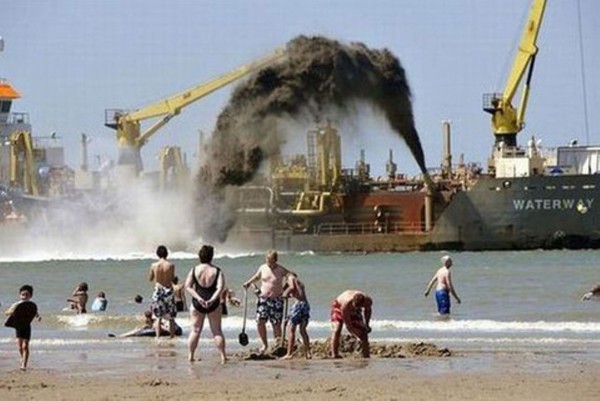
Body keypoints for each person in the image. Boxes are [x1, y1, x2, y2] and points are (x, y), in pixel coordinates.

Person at [243, 250, 293, 353]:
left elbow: (292, 276)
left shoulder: (280, 269)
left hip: (277, 299)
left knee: (276, 324)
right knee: (260, 321)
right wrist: (248, 283)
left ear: (276, 260)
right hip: (263, 299)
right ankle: (264, 345)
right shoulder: (263, 267)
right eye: (268, 261)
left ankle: (278, 344)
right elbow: (257, 277)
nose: (269, 264)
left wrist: (285, 289)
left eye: (271, 261)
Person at [185, 244, 227, 363]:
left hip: (198, 303)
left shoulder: (194, 270)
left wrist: (199, 298)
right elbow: (220, 288)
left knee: (195, 330)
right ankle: (223, 356)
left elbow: (188, 286)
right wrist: (212, 299)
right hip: (214, 303)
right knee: (217, 331)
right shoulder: (217, 271)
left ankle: (191, 356)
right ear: (211, 257)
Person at [4, 284, 41, 370]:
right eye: (23, 294)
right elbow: (6, 312)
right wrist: (10, 312)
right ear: (19, 295)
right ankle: (22, 359)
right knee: (20, 347)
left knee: (25, 346)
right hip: (18, 326)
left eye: (27, 294)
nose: (24, 296)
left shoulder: (31, 305)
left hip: (27, 326)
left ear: (30, 296)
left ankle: (24, 364)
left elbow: (34, 312)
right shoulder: (16, 304)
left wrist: (38, 317)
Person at [330, 289, 373, 358]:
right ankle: (334, 354)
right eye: (355, 306)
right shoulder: (346, 304)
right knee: (337, 328)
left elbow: (368, 311)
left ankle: (366, 355)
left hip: (355, 309)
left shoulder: (368, 301)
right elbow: (348, 325)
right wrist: (356, 335)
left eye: (359, 307)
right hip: (339, 306)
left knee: (363, 331)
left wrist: (367, 324)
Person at [149, 245, 177, 338]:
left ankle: (158, 337)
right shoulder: (171, 265)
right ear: (166, 254)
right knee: (171, 317)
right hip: (168, 290)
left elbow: (150, 278)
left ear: (157, 254)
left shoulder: (154, 265)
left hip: (158, 290)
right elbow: (172, 278)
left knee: (158, 317)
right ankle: (172, 337)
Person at [282, 273, 311, 359]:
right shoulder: (299, 283)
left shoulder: (291, 277)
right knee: (302, 330)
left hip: (298, 305)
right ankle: (308, 353)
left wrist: (285, 294)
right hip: (305, 304)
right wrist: (287, 294)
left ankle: (289, 354)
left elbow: (292, 288)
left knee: (291, 329)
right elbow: (298, 293)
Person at [108, 310, 183, 338]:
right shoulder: (154, 322)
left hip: (176, 331)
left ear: (148, 319)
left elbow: (166, 327)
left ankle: (119, 336)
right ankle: (120, 336)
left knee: (138, 332)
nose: (143, 320)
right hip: (177, 329)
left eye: (144, 318)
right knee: (138, 330)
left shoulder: (156, 323)